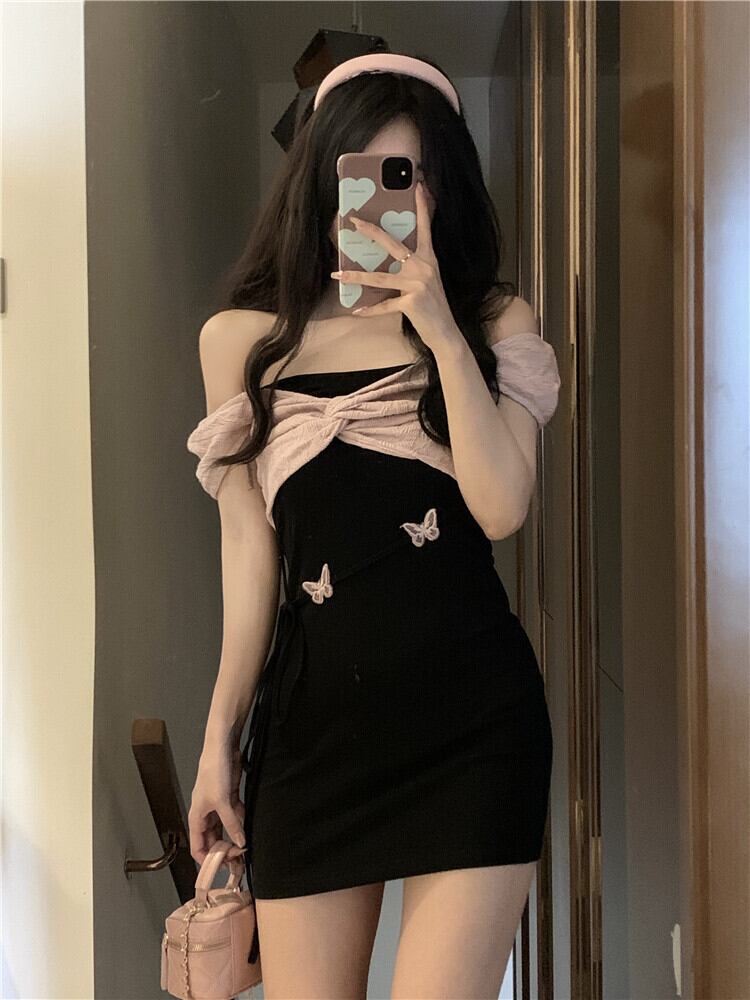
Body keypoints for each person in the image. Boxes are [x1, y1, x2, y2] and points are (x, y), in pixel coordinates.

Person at [185, 52, 561, 1000]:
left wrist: (440, 330)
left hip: (475, 733)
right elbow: (251, 551)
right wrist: (220, 736)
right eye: (377, 172)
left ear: (447, 186)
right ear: (325, 179)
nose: (402, 199)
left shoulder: (494, 322)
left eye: (419, 174)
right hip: (313, 739)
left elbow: (502, 508)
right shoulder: (243, 342)